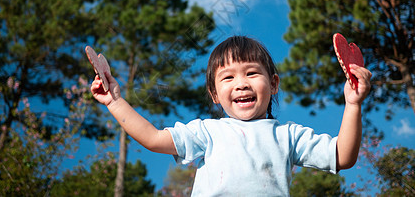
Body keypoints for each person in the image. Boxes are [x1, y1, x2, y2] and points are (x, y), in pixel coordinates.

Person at [90, 35, 372, 196]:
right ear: (214, 95)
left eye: (251, 73)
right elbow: (153, 138)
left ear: (273, 84)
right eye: (227, 77)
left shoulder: (287, 135)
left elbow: (342, 156)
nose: (241, 83)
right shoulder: (208, 131)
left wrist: (353, 104)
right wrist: (114, 101)